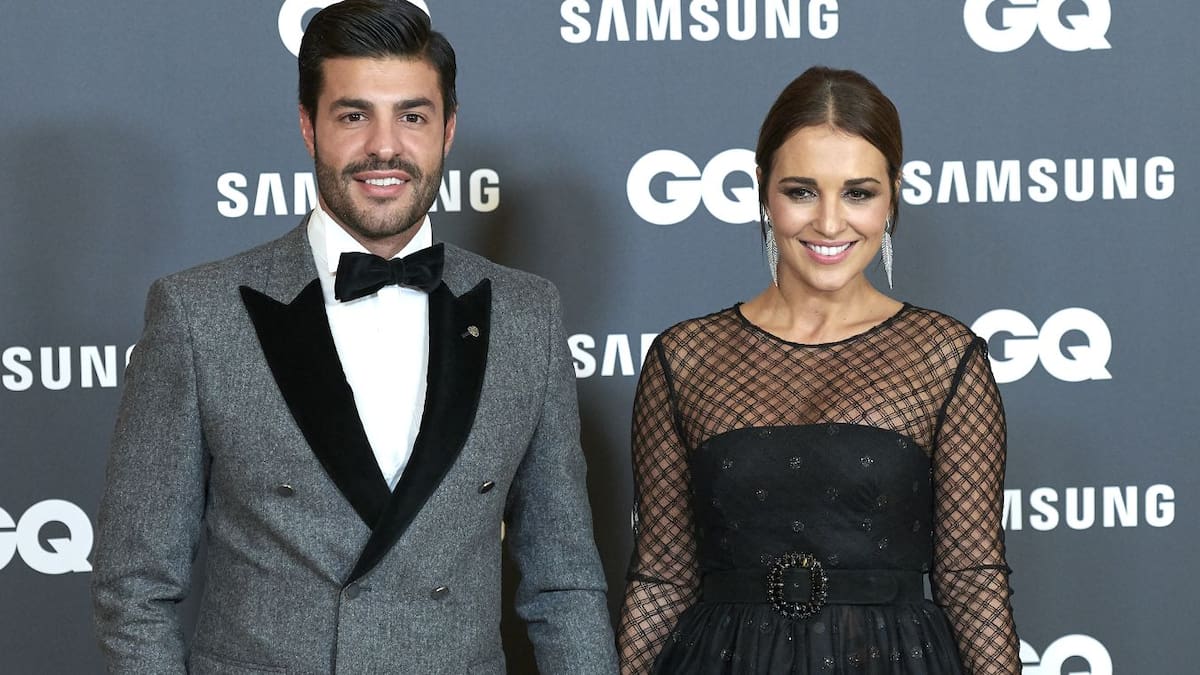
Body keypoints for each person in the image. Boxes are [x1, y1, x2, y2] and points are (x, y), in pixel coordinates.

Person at [91, 2, 617, 673]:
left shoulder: (526, 316)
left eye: (412, 116)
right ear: (308, 126)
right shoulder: (199, 315)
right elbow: (134, 589)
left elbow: (564, 585)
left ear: (448, 129)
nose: (384, 147)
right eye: (353, 115)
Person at [616, 66, 1019, 673]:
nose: (830, 223)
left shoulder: (943, 357)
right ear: (762, 190)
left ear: (893, 195)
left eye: (858, 193)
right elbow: (663, 577)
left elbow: (971, 577)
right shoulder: (685, 358)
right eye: (801, 191)